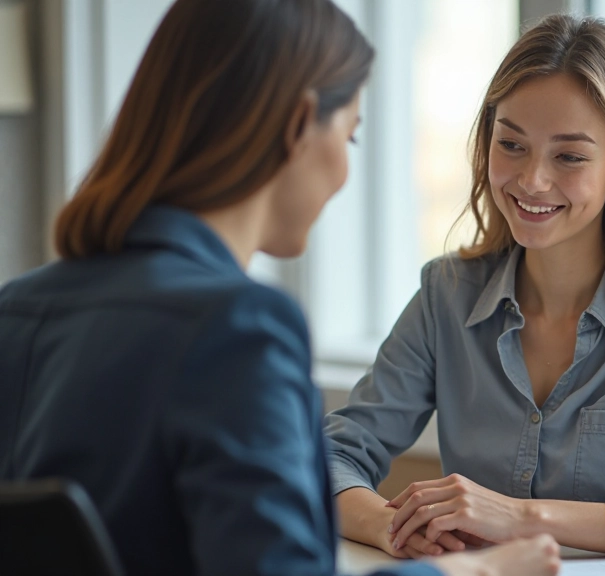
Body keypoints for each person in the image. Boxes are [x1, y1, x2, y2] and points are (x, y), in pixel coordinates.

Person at [0, 1, 560, 575]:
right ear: (299, 125)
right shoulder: (239, 328)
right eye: (350, 137)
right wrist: (471, 571)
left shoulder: (14, 310)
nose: (343, 173)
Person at [324, 13, 605, 560]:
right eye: (511, 144)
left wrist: (523, 518)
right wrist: (391, 527)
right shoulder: (445, 296)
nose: (532, 180)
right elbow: (330, 458)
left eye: (569, 156)